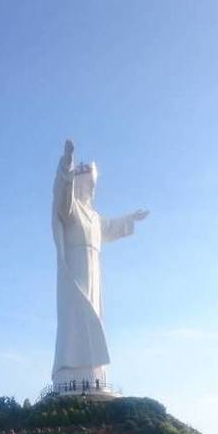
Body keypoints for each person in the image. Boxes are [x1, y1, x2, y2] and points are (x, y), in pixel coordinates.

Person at [51, 139, 149, 390]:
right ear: (80, 184)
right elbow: (62, 199)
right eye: (89, 184)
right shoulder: (72, 210)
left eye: (93, 185)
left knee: (94, 313)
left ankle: (93, 371)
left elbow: (110, 227)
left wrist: (131, 218)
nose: (92, 189)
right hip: (75, 267)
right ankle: (70, 368)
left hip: (94, 267)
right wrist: (67, 165)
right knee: (77, 315)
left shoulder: (94, 217)